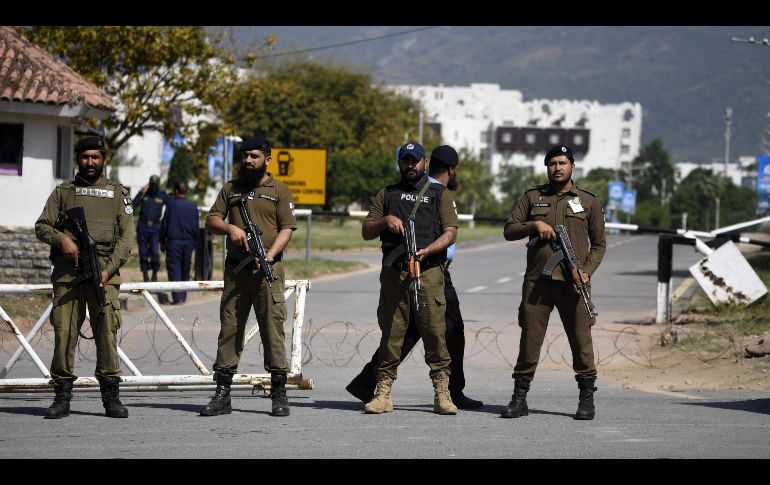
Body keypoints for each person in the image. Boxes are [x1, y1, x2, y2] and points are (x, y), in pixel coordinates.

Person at [346, 145, 483, 410]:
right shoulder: (387, 194)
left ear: (424, 162)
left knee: (436, 333)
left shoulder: (439, 195)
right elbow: (366, 231)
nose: (410, 165)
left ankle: (444, 394)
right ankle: (381, 394)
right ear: (399, 162)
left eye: (415, 161)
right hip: (395, 273)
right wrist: (385, 221)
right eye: (405, 161)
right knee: (394, 334)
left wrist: (428, 251)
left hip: (430, 272)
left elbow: (450, 232)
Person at [500, 144, 606, 420]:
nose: (557, 168)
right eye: (552, 163)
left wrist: (586, 271)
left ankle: (586, 399)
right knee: (529, 342)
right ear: (547, 168)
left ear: (572, 166)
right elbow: (510, 230)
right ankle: (519, 398)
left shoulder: (588, 201)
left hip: (573, 282)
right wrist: (534, 225)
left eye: (562, 162)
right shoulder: (532, 197)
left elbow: (599, 244)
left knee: (582, 343)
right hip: (538, 283)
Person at [35, 136, 135, 419]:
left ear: (104, 159)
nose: (90, 162)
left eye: (95, 157)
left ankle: (111, 397)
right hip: (68, 277)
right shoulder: (63, 192)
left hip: (104, 275)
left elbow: (127, 238)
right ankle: (62, 396)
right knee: (64, 334)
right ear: (77, 159)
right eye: (84, 157)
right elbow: (41, 225)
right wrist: (62, 240)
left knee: (106, 335)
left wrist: (109, 268)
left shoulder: (118, 194)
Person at [199, 135, 297, 417]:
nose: (248, 160)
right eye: (244, 156)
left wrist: (269, 254)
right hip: (237, 270)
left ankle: (279, 393)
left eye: (254, 156)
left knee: (272, 329)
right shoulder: (230, 189)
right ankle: (222, 394)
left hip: (268, 269)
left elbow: (287, 228)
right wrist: (231, 229)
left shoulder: (280, 191)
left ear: (267, 159)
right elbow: (212, 219)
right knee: (230, 329)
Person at [159, 181, 199, 304]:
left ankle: (178, 298)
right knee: (185, 269)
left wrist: (162, 241)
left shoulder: (171, 205)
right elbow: (196, 227)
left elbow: (164, 225)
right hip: (188, 242)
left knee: (174, 269)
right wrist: (195, 243)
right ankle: (183, 296)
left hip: (173, 242)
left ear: (176, 191)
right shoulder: (193, 207)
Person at [132, 174, 172, 282]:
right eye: (152, 184)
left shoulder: (162, 195)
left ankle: (155, 272)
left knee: (155, 252)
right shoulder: (144, 194)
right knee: (143, 252)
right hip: (142, 226)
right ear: (149, 184)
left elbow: (172, 205)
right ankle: (145, 273)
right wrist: (142, 191)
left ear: (158, 185)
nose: (153, 187)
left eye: (155, 184)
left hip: (155, 227)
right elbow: (134, 204)